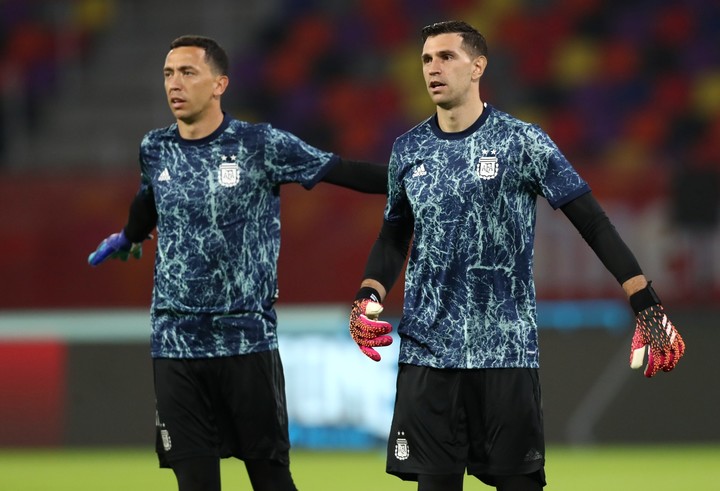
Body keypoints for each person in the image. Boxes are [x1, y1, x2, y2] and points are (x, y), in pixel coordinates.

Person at [348, 20, 685, 491]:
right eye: (426, 59)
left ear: (478, 66)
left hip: (504, 353)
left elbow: (592, 221)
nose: (433, 68)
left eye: (447, 57)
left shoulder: (522, 141)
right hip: (427, 356)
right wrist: (369, 293)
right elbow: (392, 236)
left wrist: (643, 299)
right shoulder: (408, 149)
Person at [88, 35, 386, 491]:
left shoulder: (259, 144)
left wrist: (415, 182)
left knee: (270, 480)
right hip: (175, 343)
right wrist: (129, 235)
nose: (175, 83)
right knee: (194, 481)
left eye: (188, 72)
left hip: (245, 341)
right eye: (168, 73)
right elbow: (148, 199)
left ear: (219, 84)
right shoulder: (154, 148)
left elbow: (341, 170)